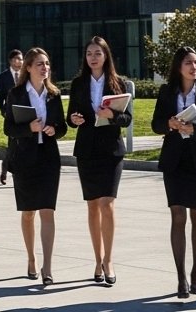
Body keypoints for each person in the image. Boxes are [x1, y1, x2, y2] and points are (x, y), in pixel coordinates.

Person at [152, 45, 196, 299]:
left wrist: (195, 130)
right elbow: (155, 124)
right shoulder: (166, 92)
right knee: (178, 217)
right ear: (178, 67)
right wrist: (169, 124)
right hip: (174, 162)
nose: (194, 67)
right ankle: (180, 276)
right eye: (189, 63)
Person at [66, 36, 133, 286]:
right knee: (93, 205)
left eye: (97, 53)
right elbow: (70, 116)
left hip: (111, 150)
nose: (93, 58)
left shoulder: (119, 82)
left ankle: (109, 260)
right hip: (87, 150)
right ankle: (97, 260)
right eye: (89, 54)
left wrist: (112, 114)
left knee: (107, 204)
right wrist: (74, 119)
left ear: (106, 56)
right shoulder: (78, 83)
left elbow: (127, 119)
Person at [3, 47, 67, 285]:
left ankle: (47, 267)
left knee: (47, 211)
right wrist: (29, 129)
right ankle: (31, 258)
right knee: (29, 212)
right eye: (39, 64)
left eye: (47, 63)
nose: (45, 68)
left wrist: (53, 129)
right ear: (28, 67)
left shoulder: (54, 94)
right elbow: (9, 128)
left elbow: (62, 127)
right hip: (25, 159)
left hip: (48, 159)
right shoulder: (16, 94)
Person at [0, 49, 24, 185]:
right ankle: (5, 169)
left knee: (23, 143)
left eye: (21, 59)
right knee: (12, 144)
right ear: (11, 61)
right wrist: (3, 110)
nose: (19, 62)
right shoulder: (4, 77)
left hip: (24, 113)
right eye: (17, 59)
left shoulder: (26, 74)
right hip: (11, 114)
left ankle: (19, 172)